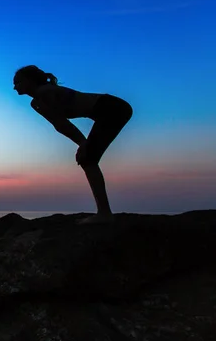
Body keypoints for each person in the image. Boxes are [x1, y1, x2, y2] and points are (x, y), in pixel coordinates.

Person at [13, 65, 133, 224]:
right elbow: (62, 125)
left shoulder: (44, 95)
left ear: (29, 80)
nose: (15, 87)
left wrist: (83, 144)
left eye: (18, 82)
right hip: (113, 107)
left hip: (111, 109)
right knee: (88, 158)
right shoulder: (41, 97)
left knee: (88, 159)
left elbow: (62, 125)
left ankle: (104, 214)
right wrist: (83, 143)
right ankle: (104, 212)